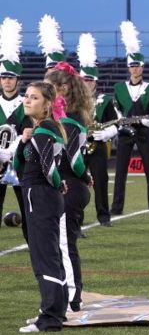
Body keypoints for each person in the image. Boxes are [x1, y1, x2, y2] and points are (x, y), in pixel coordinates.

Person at [13, 82, 68, 333]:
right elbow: (21, 167)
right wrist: (23, 143)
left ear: (46, 104)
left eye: (33, 97)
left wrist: (57, 185)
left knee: (44, 257)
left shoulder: (44, 130)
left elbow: (47, 168)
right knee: (51, 255)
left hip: (40, 196)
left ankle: (50, 318)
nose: (27, 100)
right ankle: (56, 309)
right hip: (42, 195)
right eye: (26, 96)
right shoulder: (42, 129)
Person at [44, 63, 92, 313]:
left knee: (65, 244)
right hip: (71, 185)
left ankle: (73, 296)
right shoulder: (69, 116)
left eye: (50, 86)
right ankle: (71, 293)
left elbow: (73, 158)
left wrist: (85, 174)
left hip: (70, 186)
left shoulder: (69, 120)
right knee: (63, 243)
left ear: (63, 88)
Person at [111, 21, 149, 217]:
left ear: (142, 67)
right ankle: (116, 208)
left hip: (143, 132)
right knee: (120, 173)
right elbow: (115, 108)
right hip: (125, 132)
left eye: (137, 66)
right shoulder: (119, 88)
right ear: (128, 67)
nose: (135, 69)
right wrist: (120, 120)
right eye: (132, 66)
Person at [77, 34, 117, 227]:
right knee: (77, 183)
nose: (87, 83)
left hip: (98, 145)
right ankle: (77, 218)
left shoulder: (105, 101)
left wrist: (107, 133)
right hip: (77, 147)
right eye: (84, 80)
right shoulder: (72, 102)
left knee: (100, 181)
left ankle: (104, 216)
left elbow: (116, 124)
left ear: (95, 82)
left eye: (90, 80)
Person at [0, 17, 28, 240]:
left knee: (28, 211)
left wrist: (14, 149)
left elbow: (30, 130)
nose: (7, 81)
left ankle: (34, 247)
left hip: (21, 163)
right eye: (3, 77)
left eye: (11, 78)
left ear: (18, 80)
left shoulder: (27, 102)